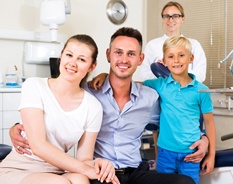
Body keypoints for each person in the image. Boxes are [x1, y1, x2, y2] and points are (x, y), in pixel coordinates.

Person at [10, 27, 208, 184]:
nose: (123, 59)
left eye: (131, 54)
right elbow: (52, 113)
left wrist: (204, 137)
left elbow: (178, 117)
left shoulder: (150, 97)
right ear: (108, 55)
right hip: (100, 173)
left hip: (135, 172)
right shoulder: (89, 93)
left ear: (140, 59)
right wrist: (16, 127)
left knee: (184, 181)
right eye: (118, 52)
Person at [0, 34, 119, 184]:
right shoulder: (34, 86)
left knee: (80, 179)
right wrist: (87, 170)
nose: (72, 63)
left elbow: (84, 159)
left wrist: (98, 164)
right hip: (19, 169)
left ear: (91, 66)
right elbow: (38, 146)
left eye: (81, 59)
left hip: (56, 170)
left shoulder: (93, 107)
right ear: (61, 56)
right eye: (69, 55)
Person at [143, 36, 216, 184]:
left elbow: (209, 123)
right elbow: (131, 85)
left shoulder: (202, 91)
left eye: (181, 55)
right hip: (165, 154)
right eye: (171, 56)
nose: (176, 60)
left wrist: (211, 155)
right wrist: (105, 76)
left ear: (191, 58)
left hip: (191, 154)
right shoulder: (160, 85)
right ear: (164, 61)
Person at [140, 1, 206, 83]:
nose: (170, 20)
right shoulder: (152, 45)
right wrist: (161, 70)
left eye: (175, 16)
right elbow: (144, 76)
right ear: (163, 19)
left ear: (182, 19)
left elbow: (200, 76)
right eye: (166, 16)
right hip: (159, 94)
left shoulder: (194, 45)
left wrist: (174, 69)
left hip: (186, 93)